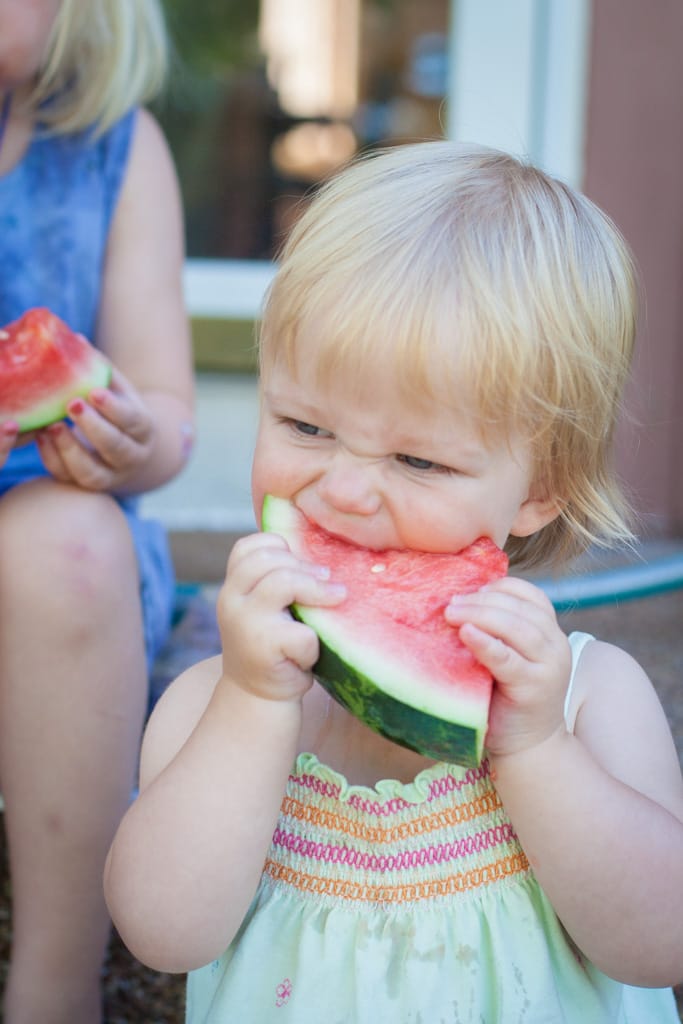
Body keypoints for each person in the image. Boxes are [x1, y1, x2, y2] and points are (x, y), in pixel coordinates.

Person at [104, 141, 683, 1022]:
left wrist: (533, 751)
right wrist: (254, 705)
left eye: (416, 459)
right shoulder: (210, 703)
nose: (341, 489)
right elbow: (162, 933)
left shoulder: (591, 698)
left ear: (537, 491)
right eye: (302, 424)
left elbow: (656, 942)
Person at [0, 1, 195, 1021]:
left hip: (63, 548)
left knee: (69, 543)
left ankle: (56, 983)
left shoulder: (118, 151)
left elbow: (166, 411)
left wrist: (134, 439)